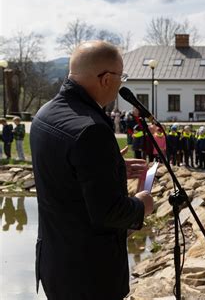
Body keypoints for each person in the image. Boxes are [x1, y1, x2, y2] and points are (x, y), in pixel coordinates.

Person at [30, 40, 154, 299]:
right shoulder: (92, 128)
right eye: (122, 77)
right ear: (107, 79)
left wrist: (112, 167)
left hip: (55, 262)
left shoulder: (45, 113)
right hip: (89, 274)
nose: (122, 83)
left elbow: (64, 174)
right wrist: (142, 205)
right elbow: (108, 212)